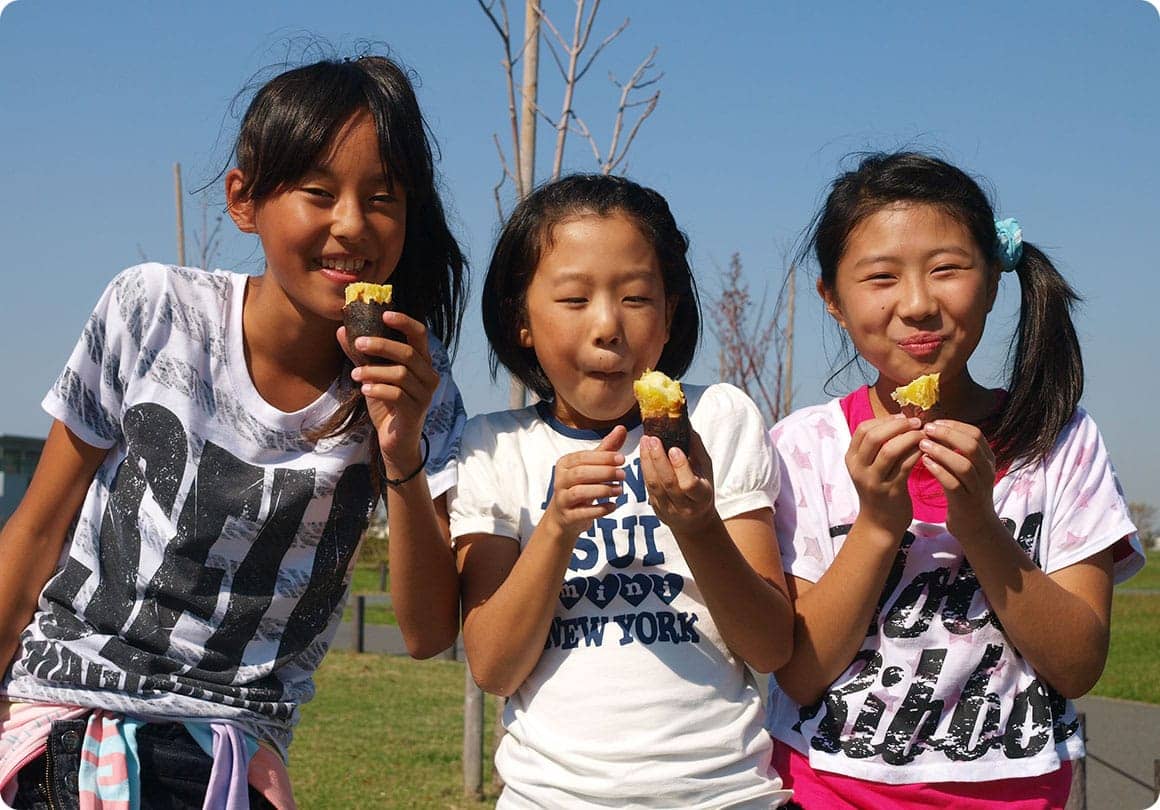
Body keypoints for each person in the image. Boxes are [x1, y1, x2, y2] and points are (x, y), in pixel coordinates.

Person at [0, 54, 466, 808]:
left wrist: (400, 448)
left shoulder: (420, 381)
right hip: (69, 722)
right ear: (244, 200)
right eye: (319, 192)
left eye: (384, 199)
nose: (353, 223)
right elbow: (36, 527)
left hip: (230, 752)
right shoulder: (152, 311)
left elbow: (424, 632)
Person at [765, 152, 1144, 809]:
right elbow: (801, 673)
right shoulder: (804, 447)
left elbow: (1078, 665)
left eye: (947, 269)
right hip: (827, 791)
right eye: (880, 277)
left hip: (1017, 794)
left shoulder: (1058, 440)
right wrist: (879, 523)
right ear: (832, 299)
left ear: (994, 281)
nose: (917, 305)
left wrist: (978, 523)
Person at [451, 173, 796, 808]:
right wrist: (555, 529)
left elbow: (770, 647)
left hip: (722, 795)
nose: (608, 326)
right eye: (574, 300)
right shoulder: (495, 446)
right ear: (520, 320)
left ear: (669, 315)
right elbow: (492, 666)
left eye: (636, 298)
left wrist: (697, 526)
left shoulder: (718, 419)